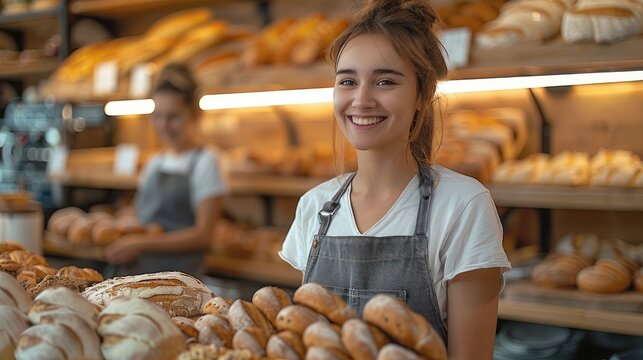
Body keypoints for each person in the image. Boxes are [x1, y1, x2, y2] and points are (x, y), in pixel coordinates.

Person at [279, 0, 511, 358]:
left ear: (423, 94)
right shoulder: (314, 206)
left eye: (385, 81)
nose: (361, 99)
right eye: (348, 81)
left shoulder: (463, 205)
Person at [104, 63, 225, 277]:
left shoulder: (206, 161)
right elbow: (138, 214)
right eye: (158, 116)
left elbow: (203, 234)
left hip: (179, 280)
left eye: (174, 117)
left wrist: (142, 243)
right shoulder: (155, 163)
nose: (164, 125)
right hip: (138, 274)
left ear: (195, 115)